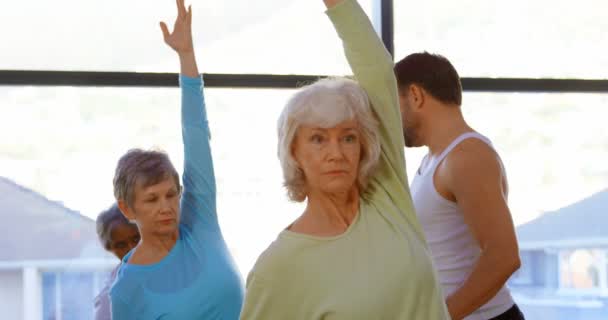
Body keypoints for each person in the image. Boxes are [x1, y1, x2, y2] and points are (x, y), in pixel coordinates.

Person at [239, 0, 449, 319]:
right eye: (318, 139)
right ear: (294, 152)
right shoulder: (278, 267)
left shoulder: (387, 199)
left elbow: (377, 69)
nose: (336, 153)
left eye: (348, 137)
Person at [109, 1, 243, 319]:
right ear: (127, 208)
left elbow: (196, 133)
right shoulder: (126, 292)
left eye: (171, 194)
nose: (167, 206)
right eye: (152, 199)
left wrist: (186, 55)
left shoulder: (201, 224)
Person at [394, 52, 524, 320]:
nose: (391, 120)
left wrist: (440, 317)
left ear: (416, 95)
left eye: (394, 104)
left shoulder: (468, 156)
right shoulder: (433, 160)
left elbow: (504, 257)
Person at [94, 204, 140, 320]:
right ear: (110, 248)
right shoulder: (109, 298)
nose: (131, 249)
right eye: (121, 245)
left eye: (136, 238)